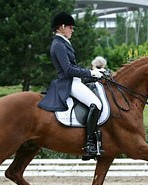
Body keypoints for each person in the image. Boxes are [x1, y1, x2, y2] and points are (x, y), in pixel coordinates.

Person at [38, 12, 104, 160]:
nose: (72, 30)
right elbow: (68, 70)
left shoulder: (62, 42)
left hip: (75, 80)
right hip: (69, 82)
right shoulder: (58, 44)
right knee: (96, 104)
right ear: (62, 27)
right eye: (70, 27)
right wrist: (91, 73)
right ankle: (89, 145)